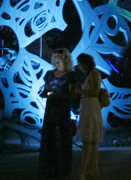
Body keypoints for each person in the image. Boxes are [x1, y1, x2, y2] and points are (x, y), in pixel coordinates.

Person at [39, 48, 77, 180]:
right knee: (49, 138)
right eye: (55, 61)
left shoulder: (71, 76)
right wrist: (47, 94)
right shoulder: (49, 74)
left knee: (64, 138)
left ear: (65, 61)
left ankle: (64, 169)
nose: (56, 63)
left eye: (59, 61)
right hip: (51, 109)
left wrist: (59, 95)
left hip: (63, 109)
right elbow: (45, 90)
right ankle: (49, 169)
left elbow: (71, 94)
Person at [75, 53, 104, 180]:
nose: (79, 66)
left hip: (91, 109)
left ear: (85, 63)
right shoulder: (91, 74)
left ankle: (82, 171)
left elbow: (94, 92)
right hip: (88, 108)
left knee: (88, 141)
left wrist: (79, 91)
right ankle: (93, 170)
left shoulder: (94, 74)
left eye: (80, 63)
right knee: (91, 142)